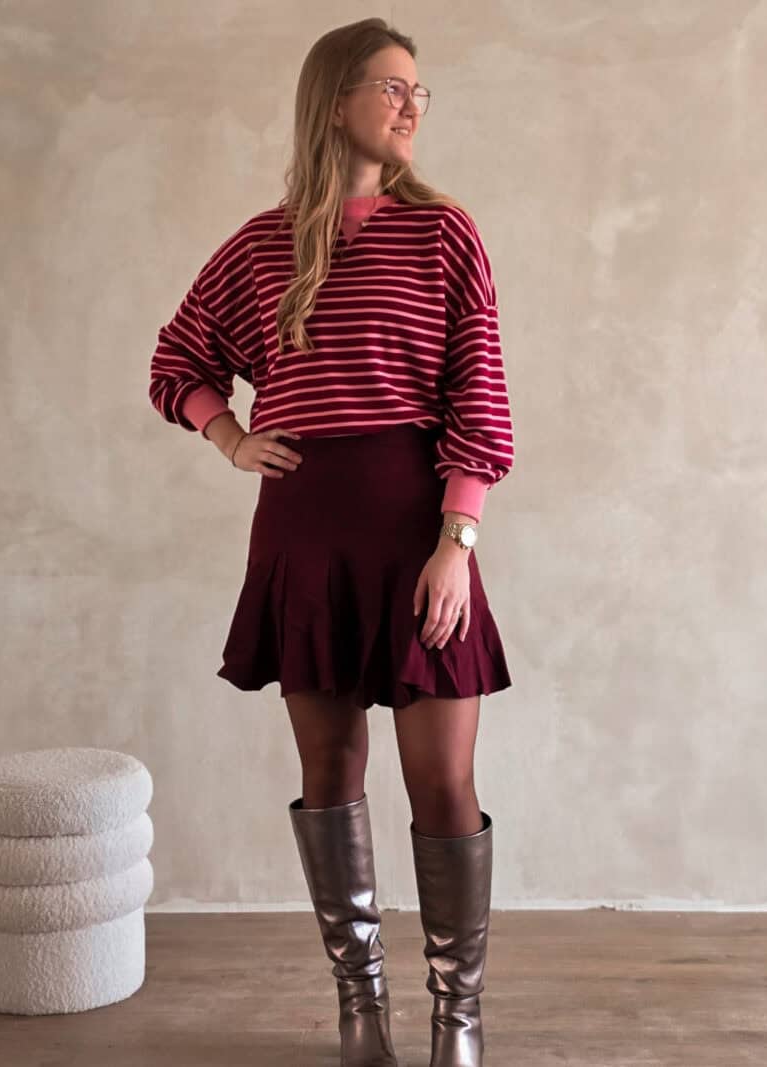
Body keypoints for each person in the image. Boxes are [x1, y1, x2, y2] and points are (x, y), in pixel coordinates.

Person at [148, 17, 515, 1067]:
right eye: (392, 87)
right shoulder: (263, 244)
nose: (410, 105)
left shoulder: (443, 233)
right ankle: (361, 1010)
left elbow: (478, 393)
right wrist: (228, 436)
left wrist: (456, 538)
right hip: (304, 532)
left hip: (418, 530)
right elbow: (178, 358)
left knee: (442, 781)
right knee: (330, 769)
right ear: (335, 99)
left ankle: (456, 1016)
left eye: (418, 91)